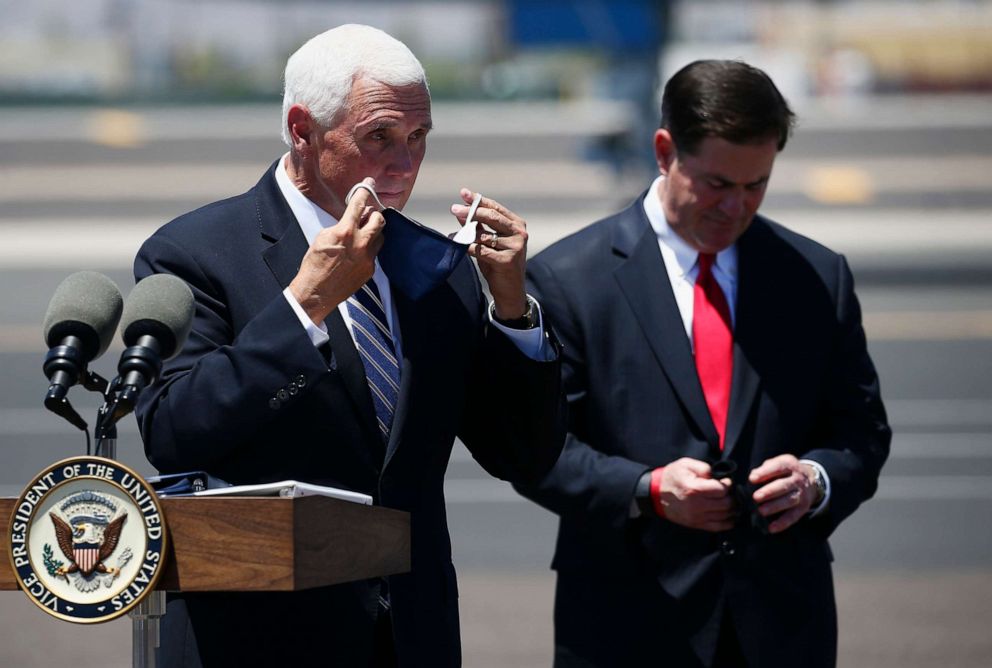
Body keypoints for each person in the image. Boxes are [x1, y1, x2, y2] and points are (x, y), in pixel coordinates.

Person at [132, 24, 564, 667]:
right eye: (379, 137)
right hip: (255, 638)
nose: (406, 164)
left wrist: (510, 310)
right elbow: (174, 431)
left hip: (410, 639)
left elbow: (522, 456)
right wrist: (304, 306)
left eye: (419, 139)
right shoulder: (194, 253)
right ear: (302, 130)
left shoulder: (434, 267)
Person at [516, 59, 891, 667]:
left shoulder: (817, 278)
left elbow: (862, 434)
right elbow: (537, 453)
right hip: (627, 623)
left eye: (756, 185)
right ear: (665, 152)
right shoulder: (568, 280)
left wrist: (815, 482)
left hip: (782, 625)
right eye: (717, 184)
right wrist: (648, 489)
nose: (736, 207)